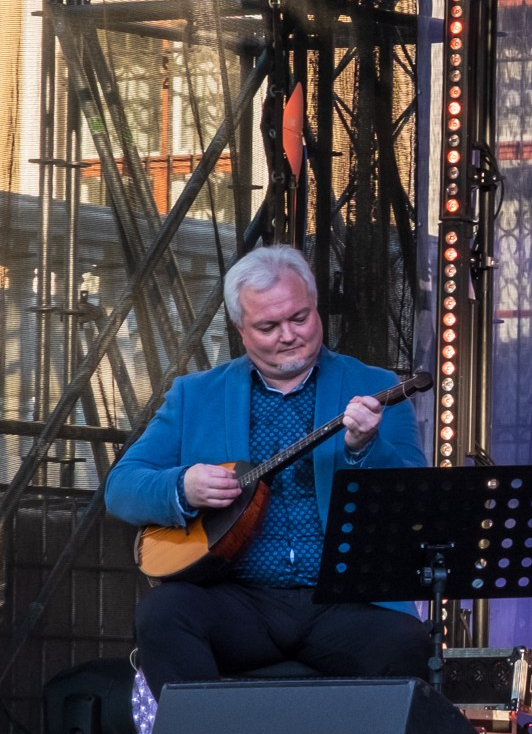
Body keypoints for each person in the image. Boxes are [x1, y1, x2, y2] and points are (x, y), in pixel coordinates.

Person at [105, 245, 430, 694]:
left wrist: (364, 448)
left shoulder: (375, 388)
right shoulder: (195, 395)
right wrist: (183, 486)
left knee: (407, 643)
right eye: (268, 326)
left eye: (300, 318)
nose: (288, 335)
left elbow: (414, 501)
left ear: (316, 309)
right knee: (162, 614)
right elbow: (121, 487)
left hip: (344, 603)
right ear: (241, 330)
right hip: (239, 599)